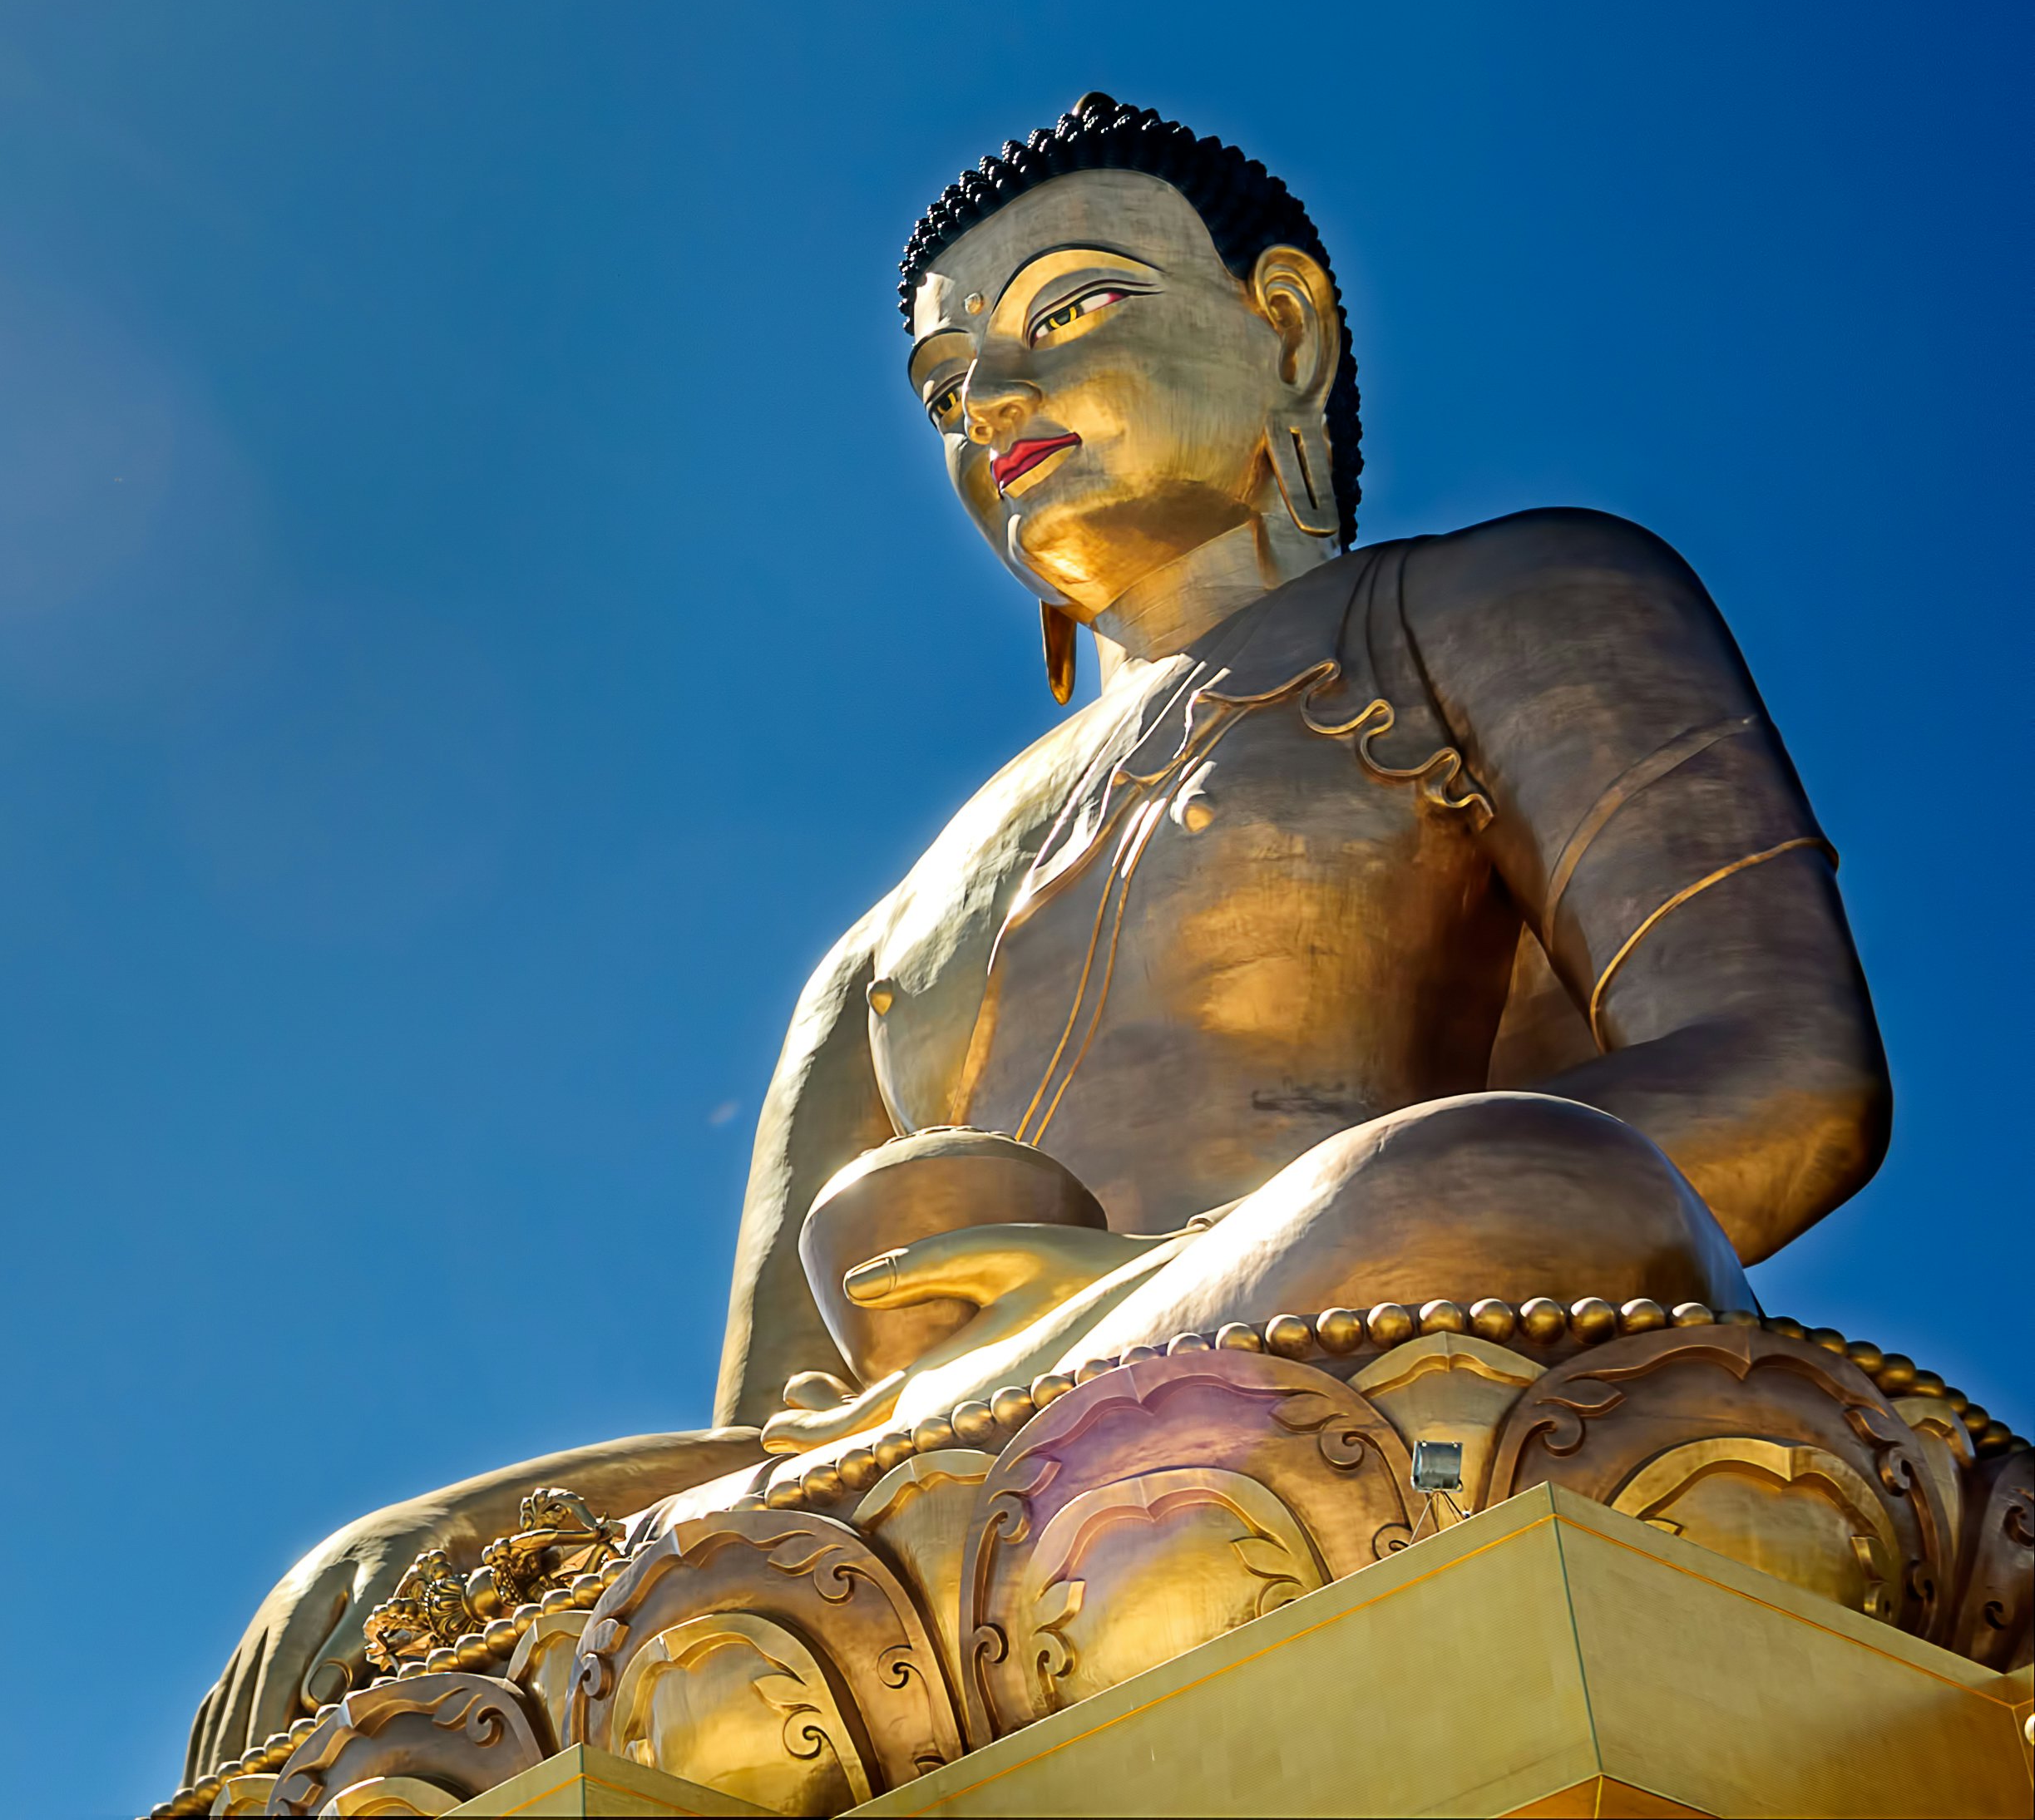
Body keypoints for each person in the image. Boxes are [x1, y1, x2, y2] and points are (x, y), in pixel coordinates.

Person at [180, 94, 1888, 1788]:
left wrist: (1133, 1299)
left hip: (1335, 1353)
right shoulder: (876, 944)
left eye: (1067, 312)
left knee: (1510, 1187)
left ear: (1280, 330)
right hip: (939, 1492)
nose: (990, 401)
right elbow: (780, 1439)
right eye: (942, 386)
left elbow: (1789, 1083)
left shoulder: (1496, 602)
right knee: (343, 1608)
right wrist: (936, 1407)